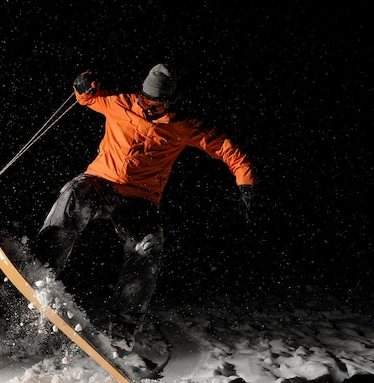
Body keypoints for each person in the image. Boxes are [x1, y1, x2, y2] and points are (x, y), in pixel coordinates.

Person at [32, 63, 257, 352]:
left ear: (169, 101)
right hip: (101, 183)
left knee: (148, 247)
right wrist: (83, 81)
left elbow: (230, 150)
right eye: (145, 100)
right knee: (74, 193)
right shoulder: (121, 104)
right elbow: (85, 95)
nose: (148, 107)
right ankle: (41, 268)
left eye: (156, 103)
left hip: (140, 199)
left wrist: (247, 184)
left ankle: (123, 329)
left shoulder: (183, 125)